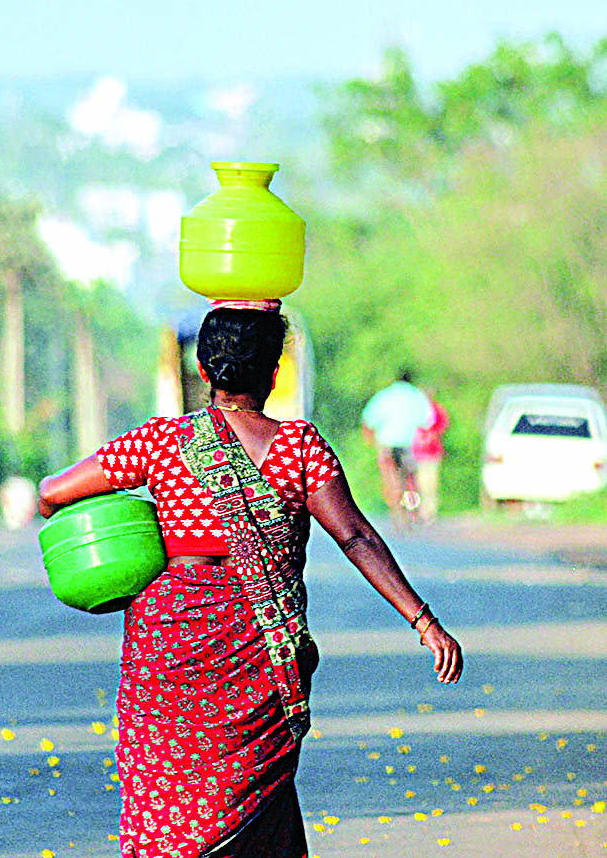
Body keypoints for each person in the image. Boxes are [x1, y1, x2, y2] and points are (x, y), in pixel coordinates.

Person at [38, 303, 463, 858]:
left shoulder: (160, 442)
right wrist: (423, 621)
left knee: (167, 785)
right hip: (264, 648)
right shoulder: (301, 447)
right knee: (259, 786)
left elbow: (52, 493)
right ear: (273, 372)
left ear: (204, 371)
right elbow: (356, 537)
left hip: (170, 648)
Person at [361, 370, 435, 523]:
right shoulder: (417, 396)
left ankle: (395, 508)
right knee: (410, 478)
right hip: (409, 443)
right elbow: (428, 420)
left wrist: (369, 438)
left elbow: (368, 419)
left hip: (387, 443)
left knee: (390, 476)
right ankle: (413, 510)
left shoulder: (385, 395)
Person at [412, 392, 449, 523]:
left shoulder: (436, 410)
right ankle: (421, 511)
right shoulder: (416, 410)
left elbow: (442, 428)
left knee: (431, 483)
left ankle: (430, 512)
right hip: (419, 452)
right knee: (420, 483)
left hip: (432, 451)